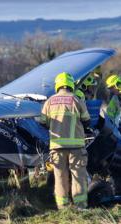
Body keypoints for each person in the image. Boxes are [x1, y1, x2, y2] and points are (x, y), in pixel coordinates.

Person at [40, 72, 91, 209]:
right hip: (76, 146)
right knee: (78, 176)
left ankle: (63, 207)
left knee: (60, 177)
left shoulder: (50, 101)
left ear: (58, 85)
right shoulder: (76, 99)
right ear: (70, 84)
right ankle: (80, 206)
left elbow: (42, 122)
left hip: (57, 146)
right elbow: (87, 121)